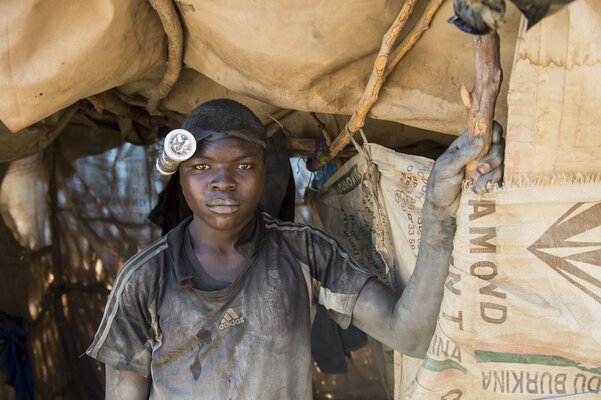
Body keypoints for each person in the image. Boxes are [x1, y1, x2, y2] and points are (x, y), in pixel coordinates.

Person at [86, 99, 504, 399]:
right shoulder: (144, 279)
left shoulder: (306, 252)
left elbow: (409, 336)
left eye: (244, 165)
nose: (223, 181)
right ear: (182, 178)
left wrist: (437, 215)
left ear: (265, 171)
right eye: (202, 167)